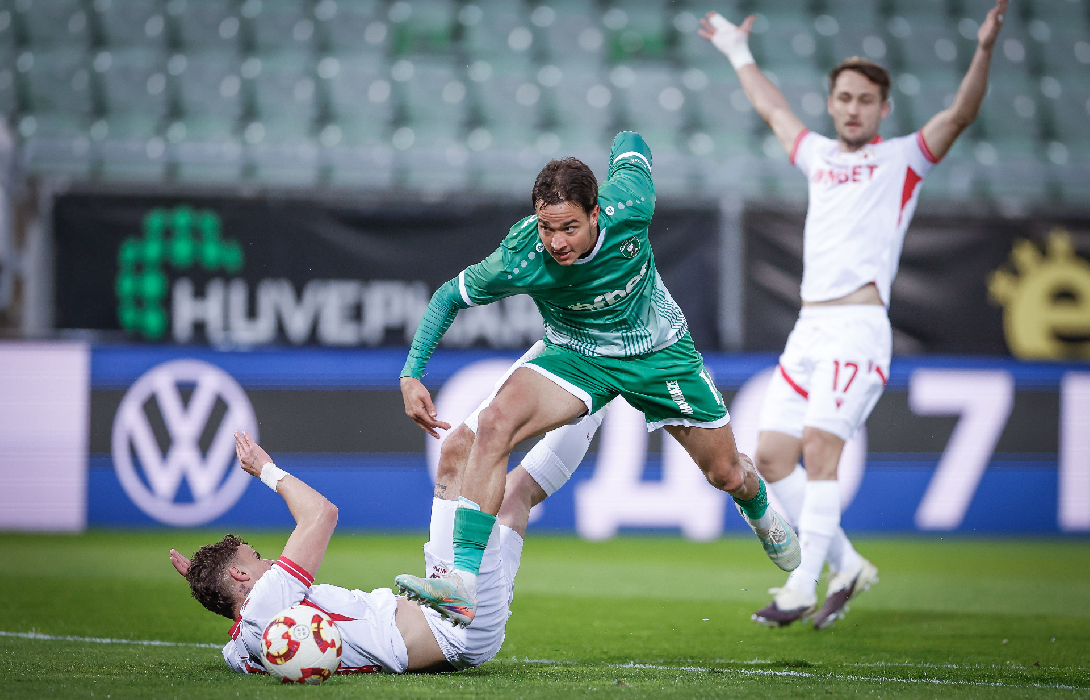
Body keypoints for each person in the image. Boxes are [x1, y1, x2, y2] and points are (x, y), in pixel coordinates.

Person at [395, 131, 800, 628]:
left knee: (727, 475)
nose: (557, 242)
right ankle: (462, 582)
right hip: (575, 354)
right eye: (547, 228)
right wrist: (412, 373)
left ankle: (761, 513)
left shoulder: (630, 202)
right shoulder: (522, 255)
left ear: (595, 214)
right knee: (494, 423)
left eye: (569, 227)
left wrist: (626, 141)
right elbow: (447, 296)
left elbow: (632, 142)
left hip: (658, 355)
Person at [698, 1, 1007, 629]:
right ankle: (849, 566)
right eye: (844, 98)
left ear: (884, 109)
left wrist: (983, 48)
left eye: (866, 100)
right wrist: (738, 52)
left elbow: (961, 114)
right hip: (808, 329)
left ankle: (801, 585)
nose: (853, 108)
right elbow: (773, 110)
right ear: (832, 103)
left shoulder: (904, 159)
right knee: (771, 459)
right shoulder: (818, 156)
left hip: (858, 330)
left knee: (820, 450)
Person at [169, 431, 527, 675]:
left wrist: (204, 581)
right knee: (462, 449)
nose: (270, 561)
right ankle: (560, 370)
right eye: (256, 557)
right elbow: (321, 513)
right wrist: (265, 469)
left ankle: (564, 395)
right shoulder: (267, 601)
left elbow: (234, 616)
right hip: (453, 621)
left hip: (453, 631)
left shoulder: (240, 651)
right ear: (240, 574)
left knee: (514, 493)